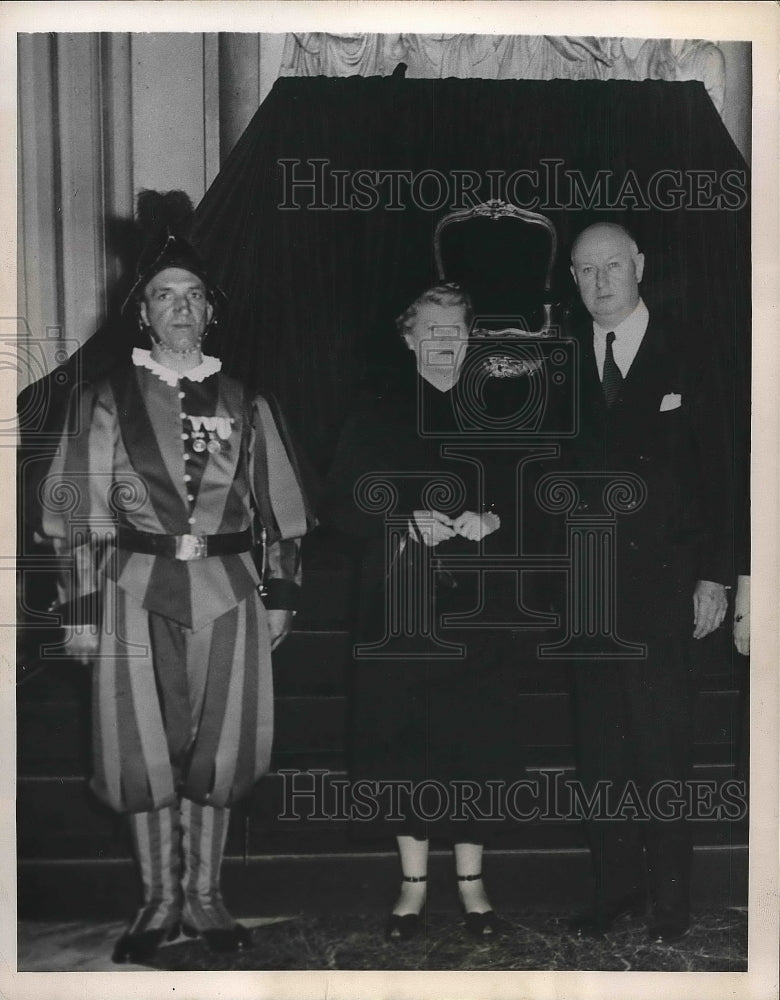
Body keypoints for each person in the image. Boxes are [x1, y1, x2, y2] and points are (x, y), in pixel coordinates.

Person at [39, 192, 315, 964]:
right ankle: (158, 901)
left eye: (193, 297)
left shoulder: (245, 399)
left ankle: (208, 896)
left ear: (209, 312)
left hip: (229, 592)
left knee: (220, 746)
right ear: (145, 314)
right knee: (141, 746)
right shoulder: (101, 400)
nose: (182, 309)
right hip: (132, 591)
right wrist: (82, 609)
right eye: (166, 297)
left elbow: (281, 508)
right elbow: (75, 510)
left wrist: (282, 593)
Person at [325, 282, 540, 941]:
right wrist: (400, 518)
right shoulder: (375, 405)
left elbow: (536, 498)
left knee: (476, 738)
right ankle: (413, 884)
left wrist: (493, 515)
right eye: (431, 329)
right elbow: (338, 502)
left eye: (456, 330)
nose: (444, 341)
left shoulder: (500, 410)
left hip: (480, 609)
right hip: (401, 604)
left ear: (471, 339)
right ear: (408, 335)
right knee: (404, 740)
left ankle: (473, 883)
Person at [562, 222, 734, 942]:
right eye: (585, 271)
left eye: (612, 267)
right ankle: (616, 890)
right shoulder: (562, 363)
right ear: (572, 280)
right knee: (601, 745)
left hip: (667, 584)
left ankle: (670, 899)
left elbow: (726, 473)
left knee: (662, 744)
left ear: (639, 267)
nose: (601, 282)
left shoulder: (693, 352)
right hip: (589, 588)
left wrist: (718, 577)